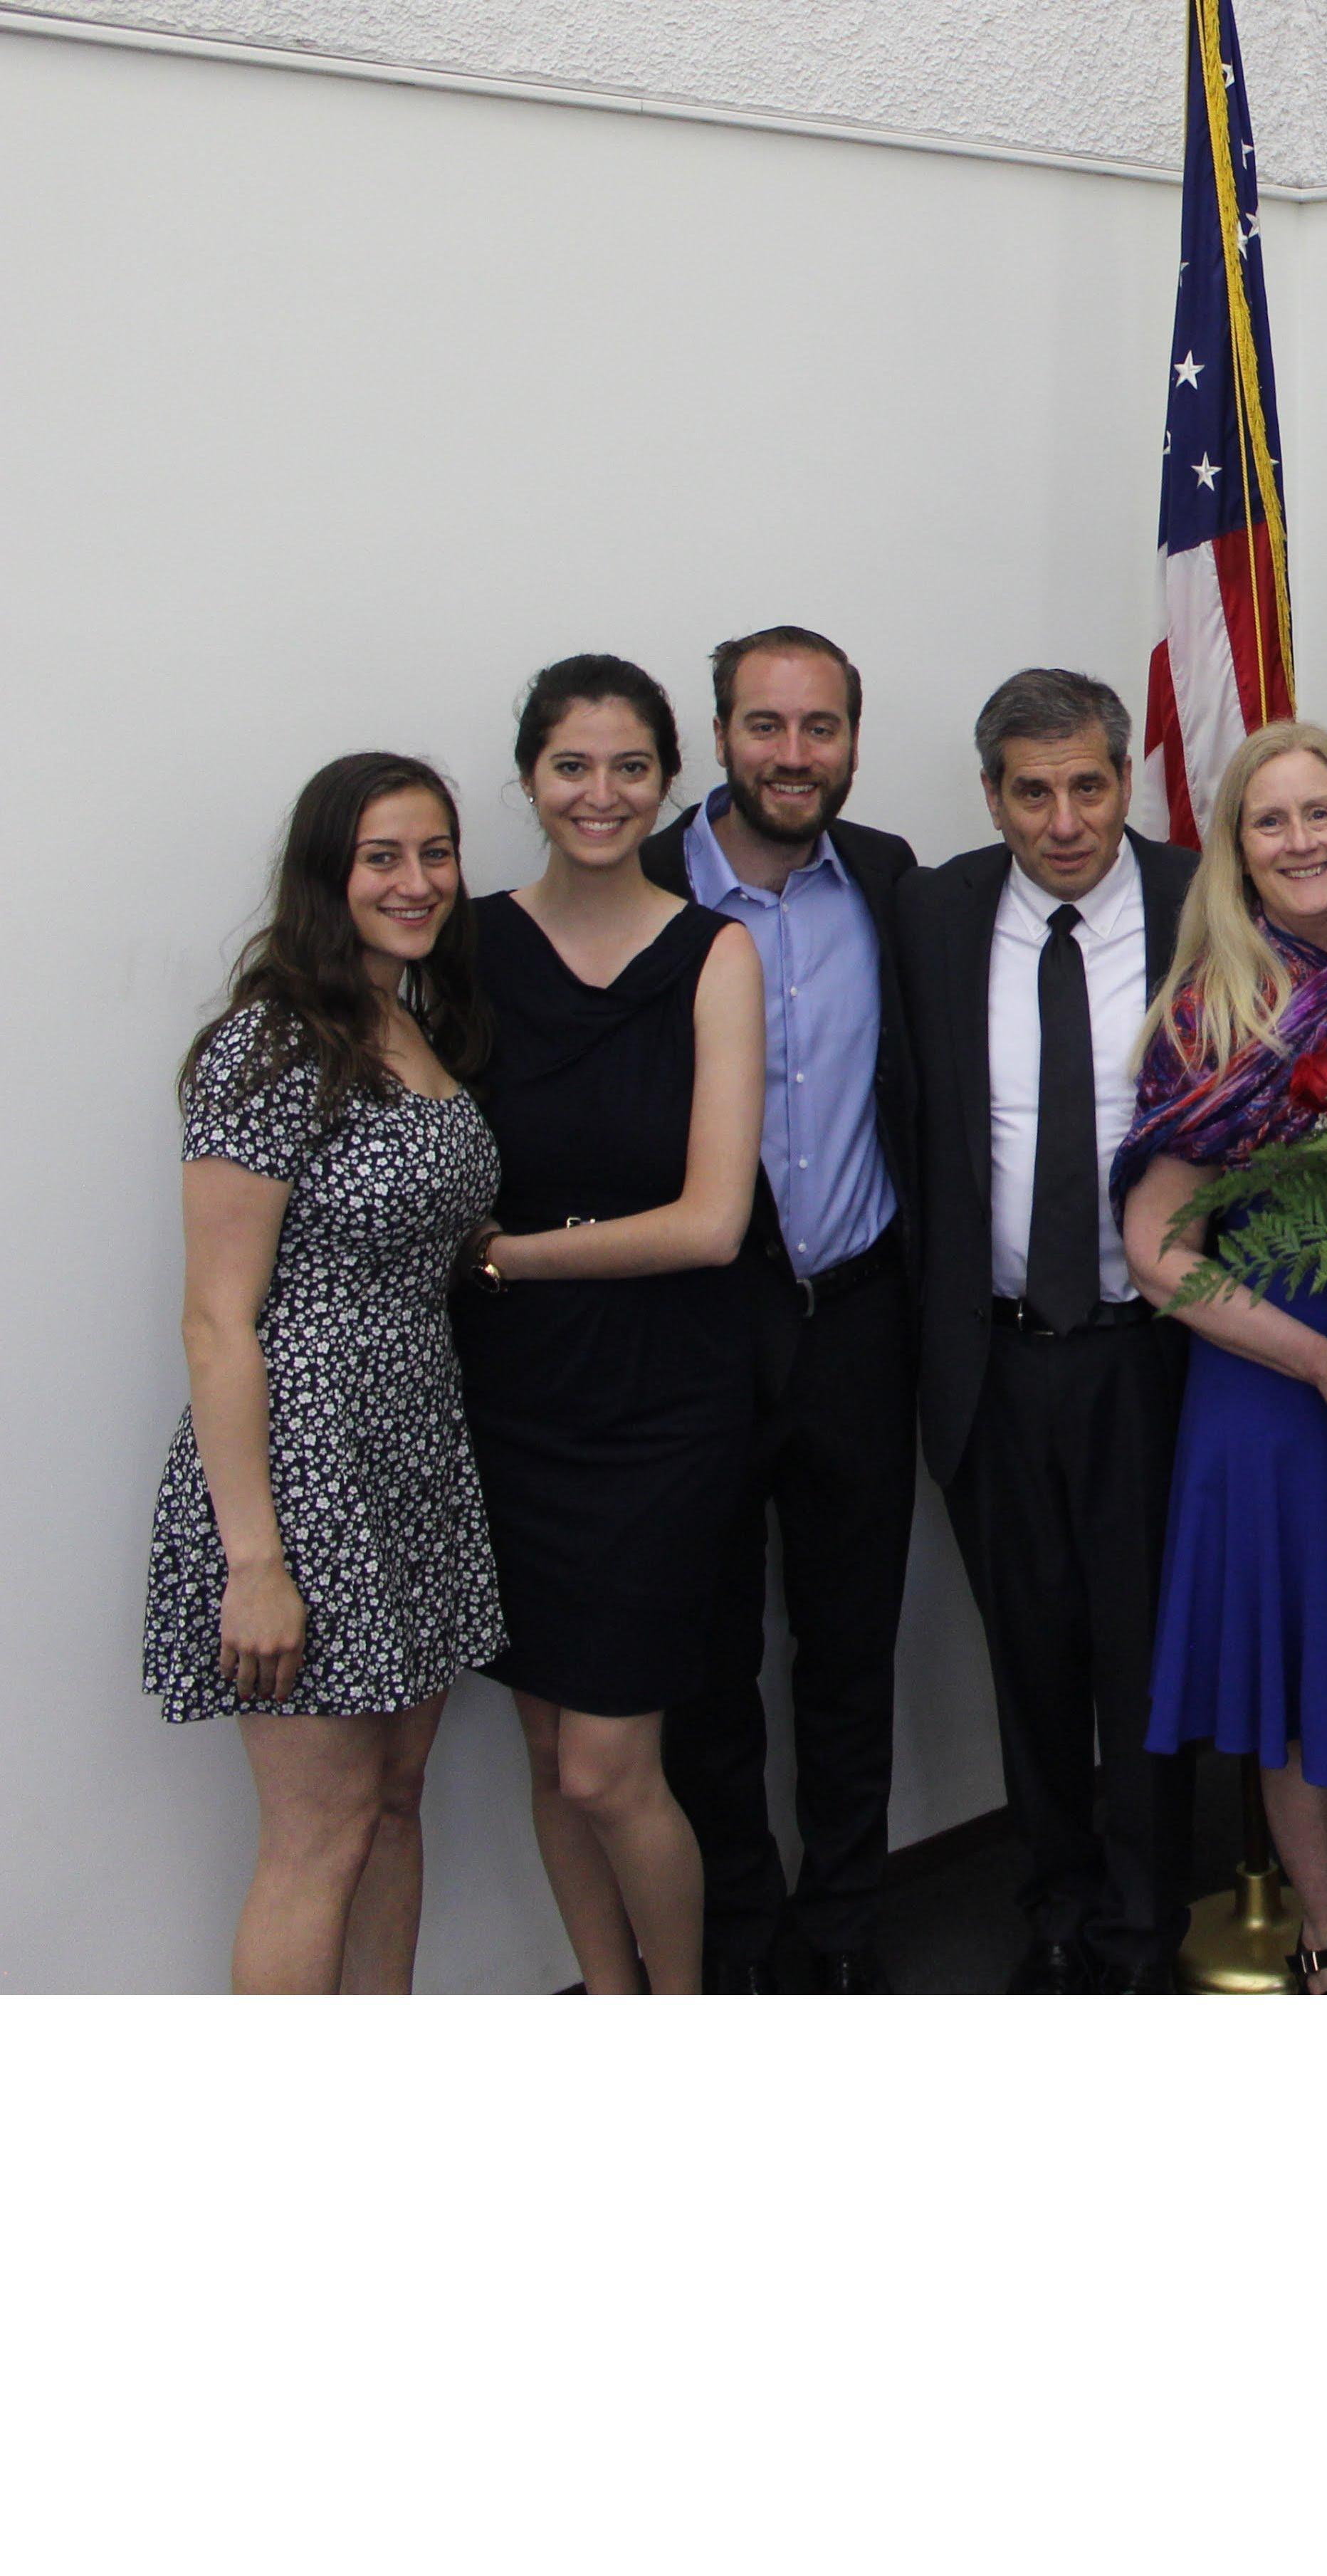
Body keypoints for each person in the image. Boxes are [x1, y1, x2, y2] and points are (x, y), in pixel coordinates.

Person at [145, 753, 508, 1993]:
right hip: (302, 1474)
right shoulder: (269, 1044)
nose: (416, 881)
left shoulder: (414, 1020)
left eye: (435, 853)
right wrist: (255, 1562)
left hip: (412, 1450)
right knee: (318, 1835)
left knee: (395, 1804)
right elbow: (214, 1320)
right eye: (381, 857)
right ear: (325, 874)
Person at [454, 656, 767, 1996]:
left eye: (630, 766)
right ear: (530, 776)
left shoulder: (715, 952)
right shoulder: (464, 947)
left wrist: (508, 1255)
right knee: (545, 1751)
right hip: (507, 1402)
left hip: (662, 1405)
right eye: (572, 765)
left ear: (668, 780)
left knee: (605, 1763)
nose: (601, 793)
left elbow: (710, 1222)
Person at [1125, 720, 1327, 1994]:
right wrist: (1318, 1363)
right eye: (1272, 819)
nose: (1301, 838)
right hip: (1267, 1381)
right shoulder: (1208, 1012)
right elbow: (1156, 1246)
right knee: (1298, 1667)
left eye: (1321, 812)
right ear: (1237, 847)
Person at [896, 669, 1197, 1992]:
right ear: (991, 796)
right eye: (1032, 792)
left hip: (1155, 1348)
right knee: (1027, 1656)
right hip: (996, 1355)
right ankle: (1056, 1904)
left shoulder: (1202, 899)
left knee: (1145, 1653)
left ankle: (1145, 1918)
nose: (1063, 821)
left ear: (1126, 779)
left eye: (1087, 786)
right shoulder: (931, 913)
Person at [644, 624, 921, 1993]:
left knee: (851, 1646)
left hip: (859, 1317)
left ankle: (845, 1925)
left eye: (821, 726)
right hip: (699, 1326)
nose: (794, 753)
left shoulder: (887, 878)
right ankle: (742, 1940)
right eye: (766, 724)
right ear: (719, 737)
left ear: (853, 741)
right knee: (707, 1665)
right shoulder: (643, 888)